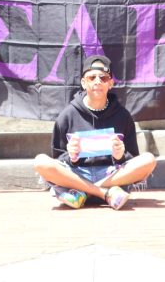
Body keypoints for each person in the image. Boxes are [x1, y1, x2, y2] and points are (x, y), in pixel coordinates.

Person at [33, 55, 157, 209]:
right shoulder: (67, 115)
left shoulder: (123, 116)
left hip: (111, 174)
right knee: (40, 162)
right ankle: (105, 194)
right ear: (84, 83)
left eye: (103, 78)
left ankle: (83, 193)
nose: (97, 82)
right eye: (92, 77)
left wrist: (120, 156)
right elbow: (58, 159)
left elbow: (133, 157)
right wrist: (72, 156)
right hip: (78, 173)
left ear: (110, 83)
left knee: (149, 160)